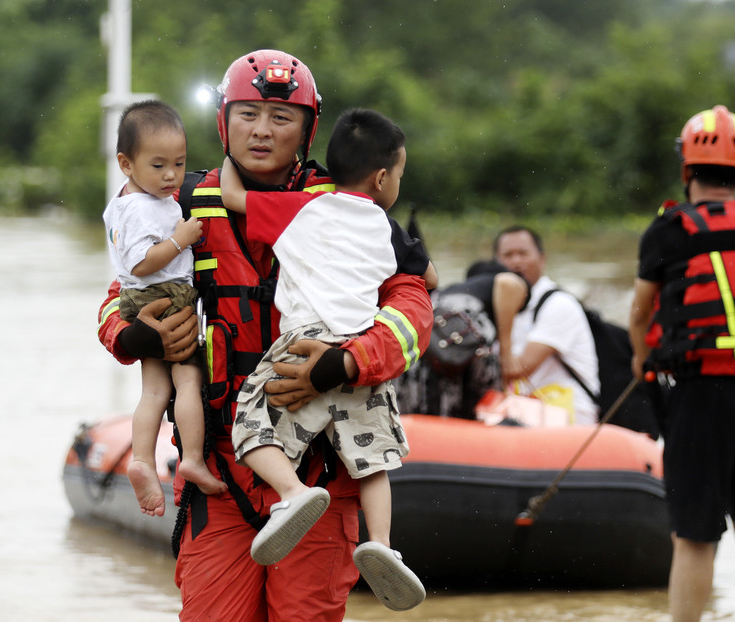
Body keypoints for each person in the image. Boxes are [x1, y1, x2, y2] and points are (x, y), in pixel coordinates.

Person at [96, 50, 433, 622]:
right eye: (248, 114)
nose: (262, 130)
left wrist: (345, 364)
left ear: (308, 130)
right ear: (225, 121)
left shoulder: (346, 205)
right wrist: (136, 337)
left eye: (281, 118)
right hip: (222, 472)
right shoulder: (175, 204)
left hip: (323, 473)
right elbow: (116, 298)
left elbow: (411, 308)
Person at [218, 107, 433, 610]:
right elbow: (429, 278)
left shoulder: (298, 209)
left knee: (250, 428)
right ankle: (380, 544)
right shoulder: (387, 228)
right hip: (359, 346)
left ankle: (291, 492)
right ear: (381, 178)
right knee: (374, 463)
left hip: (302, 342)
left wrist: (228, 155)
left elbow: (231, 196)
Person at [628, 105, 735, 622]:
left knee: (694, 536)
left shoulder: (668, 231)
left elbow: (640, 313)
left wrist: (643, 364)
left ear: (688, 169)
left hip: (701, 394)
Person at [101, 100, 227, 518]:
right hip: (167, 296)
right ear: (126, 163)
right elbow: (139, 262)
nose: (172, 176)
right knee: (187, 381)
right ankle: (191, 457)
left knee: (154, 391)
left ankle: (140, 459)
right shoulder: (142, 207)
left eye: (179, 163)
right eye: (159, 166)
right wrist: (182, 239)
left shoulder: (127, 200)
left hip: (140, 302)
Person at [394, 259, 529, 419]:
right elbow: (507, 283)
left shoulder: (450, 289)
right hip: (464, 336)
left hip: (421, 337)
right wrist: (507, 357)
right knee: (482, 408)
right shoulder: (506, 282)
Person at [494, 226, 600, 424]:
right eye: (507, 255)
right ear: (495, 263)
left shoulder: (559, 305)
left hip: (568, 414)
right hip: (525, 409)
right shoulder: (493, 304)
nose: (516, 262)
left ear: (542, 259)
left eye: (523, 254)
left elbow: (516, 370)